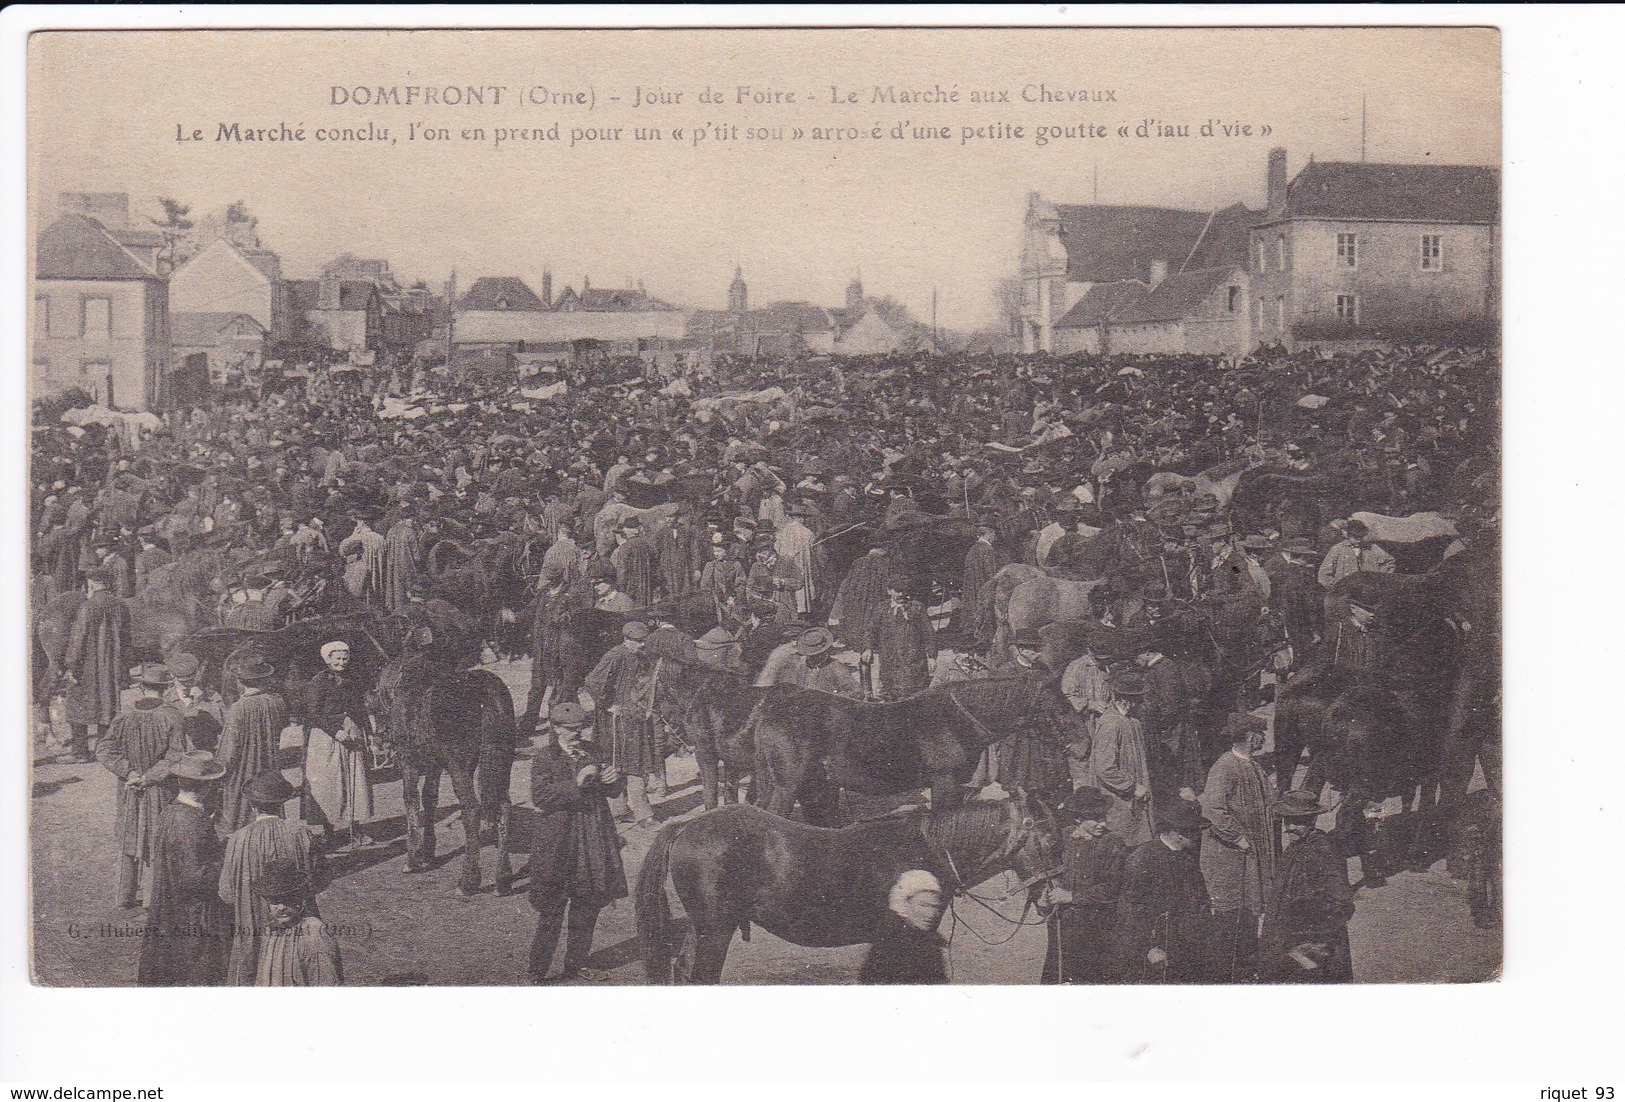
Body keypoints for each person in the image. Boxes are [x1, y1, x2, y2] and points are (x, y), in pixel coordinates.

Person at [526, 702, 627, 984]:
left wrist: (613, 780)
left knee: (587, 906)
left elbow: (613, 791)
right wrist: (577, 782)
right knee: (552, 909)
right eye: (571, 730)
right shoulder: (544, 757)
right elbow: (540, 797)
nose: (577, 734)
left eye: (581, 728)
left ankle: (576, 965)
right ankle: (537, 972)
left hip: (592, 838)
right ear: (555, 729)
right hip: (560, 842)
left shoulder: (593, 751)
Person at [97, 663, 188, 908]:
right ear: (166, 689)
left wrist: (130, 772)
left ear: (141, 686)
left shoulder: (124, 714)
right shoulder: (172, 716)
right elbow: (176, 756)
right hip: (158, 789)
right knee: (154, 839)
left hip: (129, 788)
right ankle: (150, 900)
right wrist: (149, 776)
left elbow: (104, 749)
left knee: (129, 837)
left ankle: (124, 897)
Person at [137, 750, 230, 986]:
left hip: (169, 907)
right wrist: (225, 859)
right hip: (191, 915)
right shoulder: (190, 822)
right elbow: (194, 877)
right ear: (207, 787)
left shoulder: (170, 811)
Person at [218, 771, 318, 985]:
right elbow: (316, 881)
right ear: (282, 803)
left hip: (251, 928)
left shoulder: (237, 840)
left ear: (253, 806)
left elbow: (227, 894)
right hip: (296, 923)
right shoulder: (301, 834)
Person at [1198, 711, 1275, 983]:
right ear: (1250, 737)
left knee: (1250, 911)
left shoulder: (1254, 767)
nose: (1263, 739)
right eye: (1260, 735)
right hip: (1229, 857)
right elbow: (1212, 809)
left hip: (1250, 855)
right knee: (1230, 915)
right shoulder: (1225, 767)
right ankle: (1224, 975)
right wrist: (1238, 838)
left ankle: (1245, 967)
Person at [1110, 798, 1211, 983]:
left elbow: (1200, 900)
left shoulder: (1187, 858)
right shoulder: (1142, 860)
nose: (1198, 837)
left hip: (1187, 946)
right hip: (1157, 950)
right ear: (1178, 833)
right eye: (1194, 832)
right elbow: (1129, 912)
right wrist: (1147, 948)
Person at [1259, 789, 1355, 983]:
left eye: (1297, 822)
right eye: (1287, 821)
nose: (1290, 827)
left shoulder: (1324, 852)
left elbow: (1341, 903)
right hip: (1289, 940)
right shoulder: (1294, 848)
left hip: (1310, 945)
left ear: (1312, 821)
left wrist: (1312, 943)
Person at [1041, 786, 1127, 984]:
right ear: (1078, 819)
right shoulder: (1064, 837)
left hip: (1096, 926)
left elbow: (1112, 888)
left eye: (1104, 817)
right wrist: (1048, 893)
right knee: (1058, 976)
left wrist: (1071, 897)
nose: (1102, 824)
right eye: (1095, 819)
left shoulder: (1112, 843)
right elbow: (1050, 870)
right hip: (1063, 924)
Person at [300, 640, 376, 851]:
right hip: (326, 737)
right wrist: (335, 731)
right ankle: (327, 830)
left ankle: (356, 828)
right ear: (327, 659)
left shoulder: (352, 679)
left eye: (345, 658)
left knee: (356, 781)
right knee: (327, 783)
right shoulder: (319, 681)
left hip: (351, 733)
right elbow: (313, 713)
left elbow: (359, 707)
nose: (342, 662)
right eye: (337, 659)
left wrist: (368, 732)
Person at [584, 621, 661, 828]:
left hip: (635, 716)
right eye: (639, 642)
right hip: (614, 719)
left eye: (645, 641)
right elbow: (592, 681)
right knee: (616, 762)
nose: (643, 645)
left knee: (637, 761)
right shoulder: (615, 655)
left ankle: (639, 811)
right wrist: (607, 705)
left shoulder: (641, 655)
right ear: (627, 640)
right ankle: (627, 811)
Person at [59, 566, 128, 762]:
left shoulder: (88, 607)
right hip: (111, 666)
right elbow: (126, 639)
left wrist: (71, 665)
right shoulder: (120, 606)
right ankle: (103, 750)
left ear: (91, 584)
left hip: (88, 666)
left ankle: (79, 752)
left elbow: (78, 638)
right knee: (107, 705)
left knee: (76, 704)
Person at [215, 660, 290, 834]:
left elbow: (229, 751)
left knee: (240, 810)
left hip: (243, 769)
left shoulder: (238, 709)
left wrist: (219, 770)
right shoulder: (276, 702)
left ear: (241, 682)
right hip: (269, 764)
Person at [1082, 670, 1154, 846]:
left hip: (1134, 799)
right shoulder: (1111, 724)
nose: (1143, 703)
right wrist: (1131, 786)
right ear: (1127, 701)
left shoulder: (1132, 721)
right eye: (1139, 699)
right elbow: (1105, 768)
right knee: (1122, 844)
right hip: (1120, 799)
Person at [252, 858, 343, 986]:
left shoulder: (314, 935)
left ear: (300, 898)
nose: (281, 907)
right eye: (274, 901)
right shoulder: (271, 930)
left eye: (287, 899)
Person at [860, 869, 948, 984]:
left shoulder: (929, 943)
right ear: (904, 903)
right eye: (923, 905)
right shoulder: (890, 946)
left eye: (934, 907)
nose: (931, 914)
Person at [862, 578, 935, 699]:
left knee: (916, 694)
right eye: (897, 591)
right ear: (889, 591)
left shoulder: (917, 608)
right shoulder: (882, 609)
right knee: (889, 693)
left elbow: (928, 633)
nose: (901, 594)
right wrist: (868, 648)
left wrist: (932, 656)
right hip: (889, 660)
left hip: (913, 660)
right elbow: (870, 630)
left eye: (903, 591)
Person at [754, 626, 861, 695]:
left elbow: (856, 691)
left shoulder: (835, 667)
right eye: (809, 655)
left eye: (815, 655)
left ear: (824, 652)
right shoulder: (802, 665)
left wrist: (835, 694)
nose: (812, 658)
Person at [1316, 518, 1396, 588]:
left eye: (1361, 537)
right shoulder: (1337, 549)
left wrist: (1378, 576)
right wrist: (1335, 587)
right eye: (1355, 537)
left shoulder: (1372, 548)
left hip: (1368, 589)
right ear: (1348, 535)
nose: (1359, 540)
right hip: (1345, 591)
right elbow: (1324, 573)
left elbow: (1389, 561)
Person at [960, 525, 1001, 650]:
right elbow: (991, 573)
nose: (995, 537)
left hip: (971, 588)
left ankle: (975, 637)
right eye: (993, 534)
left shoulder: (972, 549)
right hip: (983, 586)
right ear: (988, 534)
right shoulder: (987, 549)